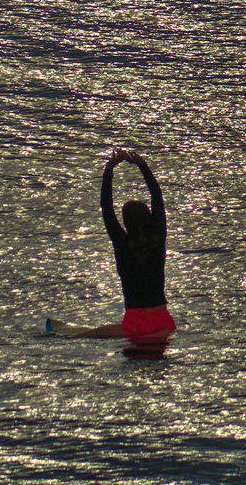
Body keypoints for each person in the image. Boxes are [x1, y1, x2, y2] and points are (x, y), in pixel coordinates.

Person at [47, 148, 176, 347]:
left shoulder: (123, 244)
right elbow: (157, 196)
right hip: (164, 321)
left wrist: (109, 169)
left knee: (74, 340)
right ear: (148, 217)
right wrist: (142, 165)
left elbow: (106, 208)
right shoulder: (158, 238)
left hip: (135, 325)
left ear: (126, 223)